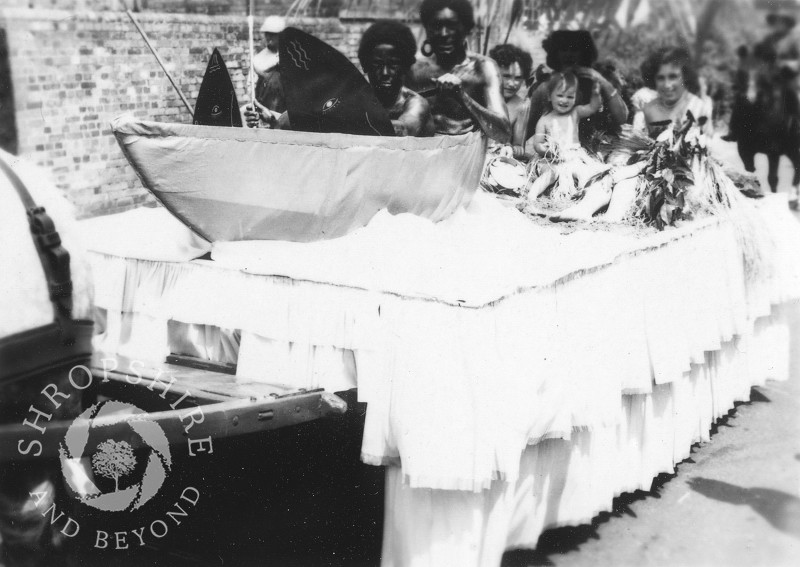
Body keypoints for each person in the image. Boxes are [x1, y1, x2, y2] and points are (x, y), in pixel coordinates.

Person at [552, 47, 710, 222]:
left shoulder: (696, 107)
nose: (667, 84)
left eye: (673, 77)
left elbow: (681, 155)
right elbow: (643, 147)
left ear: (685, 77)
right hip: (649, 164)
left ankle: (613, 215)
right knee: (611, 175)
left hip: (684, 173)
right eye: (661, 78)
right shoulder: (649, 108)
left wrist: (632, 169)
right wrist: (622, 168)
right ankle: (583, 210)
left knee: (628, 178)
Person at [407, 0, 511, 143]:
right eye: (436, 26)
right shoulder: (414, 69)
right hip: (423, 154)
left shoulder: (483, 68)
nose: (444, 34)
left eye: (452, 26)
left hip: (466, 153)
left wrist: (462, 97)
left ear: (467, 29)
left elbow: (503, 133)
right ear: (427, 29)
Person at [525, 30, 628, 152]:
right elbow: (530, 128)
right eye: (563, 49)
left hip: (600, 148)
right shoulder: (546, 88)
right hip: (557, 152)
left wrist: (602, 81)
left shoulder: (597, 81)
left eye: (574, 50)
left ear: (584, 53)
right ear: (555, 53)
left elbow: (622, 118)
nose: (569, 55)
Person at [527, 71, 609, 201]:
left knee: (584, 172)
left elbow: (593, 107)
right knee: (550, 174)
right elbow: (538, 144)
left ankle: (584, 195)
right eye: (560, 95)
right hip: (552, 159)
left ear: (576, 98)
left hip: (574, 156)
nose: (564, 100)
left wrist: (596, 94)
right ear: (549, 96)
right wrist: (548, 151)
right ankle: (531, 195)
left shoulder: (575, 113)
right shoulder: (545, 120)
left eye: (570, 97)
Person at [358, 21, 434, 136]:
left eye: (393, 64)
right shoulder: (360, 99)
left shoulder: (416, 103)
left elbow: (403, 130)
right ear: (365, 66)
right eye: (377, 64)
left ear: (406, 67)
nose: (385, 73)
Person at [488, 43, 533, 159]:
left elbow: (519, 146)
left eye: (518, 78)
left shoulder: (522, 105)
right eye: (506, 76)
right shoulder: (482, 98)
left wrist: (510, 148)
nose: (512, 83)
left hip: (501, 158)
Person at [243, 15, 286, 129]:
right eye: (266, 33)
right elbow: (251, 86)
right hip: (264, 108)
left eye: (272, 33)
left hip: (285, 108)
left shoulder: (289, 56)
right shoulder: (259, 59)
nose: (268, 37)